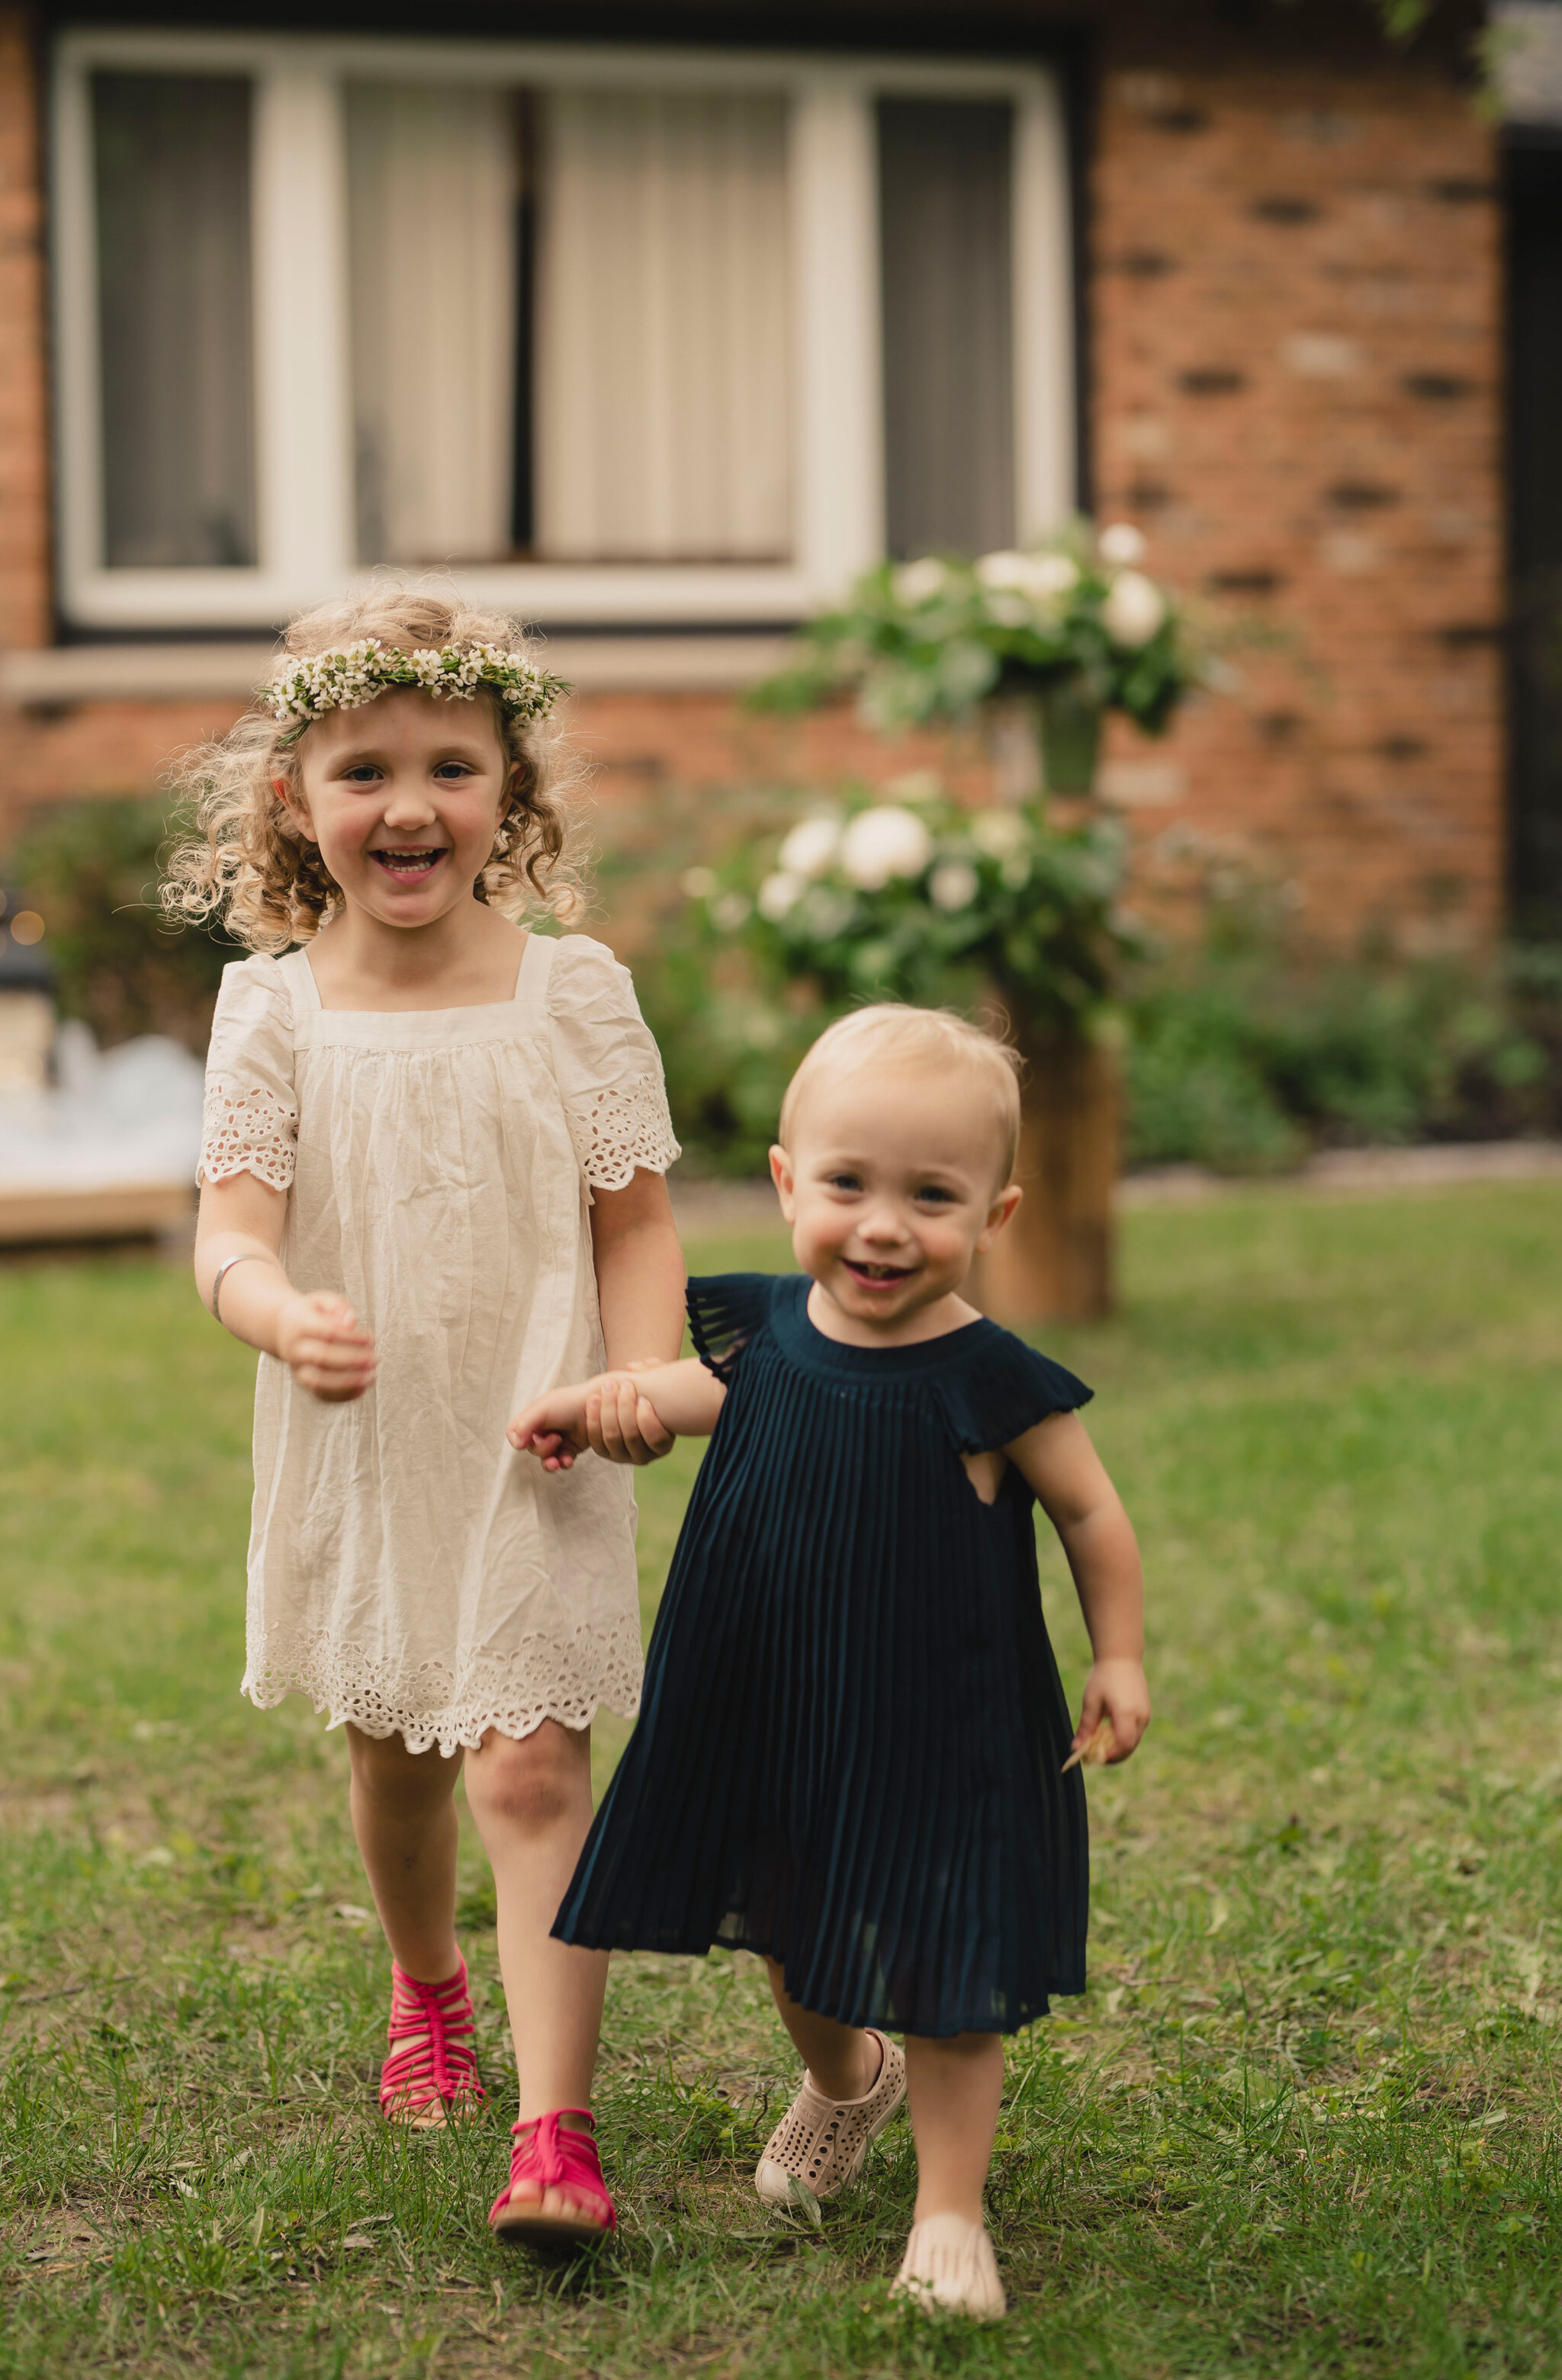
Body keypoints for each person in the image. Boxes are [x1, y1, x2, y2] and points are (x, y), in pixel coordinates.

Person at [166, 590, 686, 2247]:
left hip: (539, 1421)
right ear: (295, 803)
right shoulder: (276, 1011)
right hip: (368, 1435)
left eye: (451, 767)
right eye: (365, 769)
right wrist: (277, 1310)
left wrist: (646, 1374)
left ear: (508, 797)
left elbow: (635, 1217)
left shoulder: (573, 994)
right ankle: (425, 1980)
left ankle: (555, 2135)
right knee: (396, 1757)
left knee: (530, 1765)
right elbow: (231, 1232)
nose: (409, 804)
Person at [509, 1004, 1150, 2321]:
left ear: (997, 1213)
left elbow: (1094, 1515)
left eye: (932, 1195)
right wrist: (588, 1401)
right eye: (848, 1184)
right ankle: (850, 2079)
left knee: (945, 1961)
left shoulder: (993, 1382)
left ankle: (949, 2213)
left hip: (944, 1722)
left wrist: (1122, 1658)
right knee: (790, 1934)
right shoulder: (770, 1332)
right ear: (791, 1181)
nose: (881, 1224)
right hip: (779, 1699)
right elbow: (697, 1396)